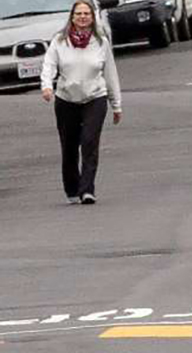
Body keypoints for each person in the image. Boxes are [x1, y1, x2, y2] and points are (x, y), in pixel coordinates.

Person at [40, 0, 122, 205]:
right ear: (72, 17)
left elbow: (110, 74)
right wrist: (47, 86)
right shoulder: (60, 41)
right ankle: (72, 189)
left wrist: (116, 104)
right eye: (79, 14)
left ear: (93, 18)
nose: (83, 17)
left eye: (87, 13)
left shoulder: (101, 42)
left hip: (95, 97)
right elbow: (49, 65)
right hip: (66, 98)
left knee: (89, 141)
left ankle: (87, 190)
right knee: (69, 146)